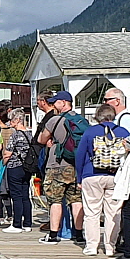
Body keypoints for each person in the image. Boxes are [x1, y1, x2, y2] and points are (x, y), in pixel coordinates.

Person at [75, 103, 128, 257]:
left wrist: (79, 177)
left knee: (92, 212)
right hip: (115, 176)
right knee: (114, 213)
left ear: (98, 117)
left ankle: (92, 246)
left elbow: (80, 155)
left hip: (91, 174)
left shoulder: (90, 131)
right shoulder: (123, 132)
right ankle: (110, 247)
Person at [36, 91, 86, 245]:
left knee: (55, 200)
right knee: (76, 200)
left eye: (55, 102)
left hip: (57, 165)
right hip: (75, 165)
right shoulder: (81, 120)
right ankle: (79, 235)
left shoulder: (55, 120)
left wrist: (51, 140)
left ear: (64, 102)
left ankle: (53, 235)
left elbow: (41, 139)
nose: (53, 105)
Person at [103, 87, 130, 259]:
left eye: (107, 100)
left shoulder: (126, 120)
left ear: (117, 101)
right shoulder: (125, 119)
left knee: (127, 209)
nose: (104, 103)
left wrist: (120, 145)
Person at [2, 109, 37, 233]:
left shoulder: (15, 135)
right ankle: (27, 223)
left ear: (17, 120)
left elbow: (7, 153)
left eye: (11, 120)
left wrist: (3, 163)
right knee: (25, 196)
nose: (10, 122)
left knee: (16, 196)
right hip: (27, 168)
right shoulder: (30, 135)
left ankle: (16, 224)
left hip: (14, 167)